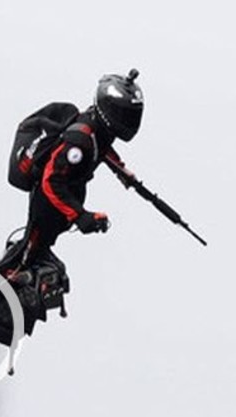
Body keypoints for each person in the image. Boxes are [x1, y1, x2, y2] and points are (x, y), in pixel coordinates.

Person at [17, 69, 145, 269]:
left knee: (46, 257)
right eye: (124, 114)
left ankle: (31, 265)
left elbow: (102, 148)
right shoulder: (78, 142)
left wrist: (121, 170)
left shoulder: (98, 129)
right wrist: (80, 215)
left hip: (67, 195)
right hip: (48, 201)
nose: (128, 121)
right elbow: (50, 181)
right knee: (27, 257)